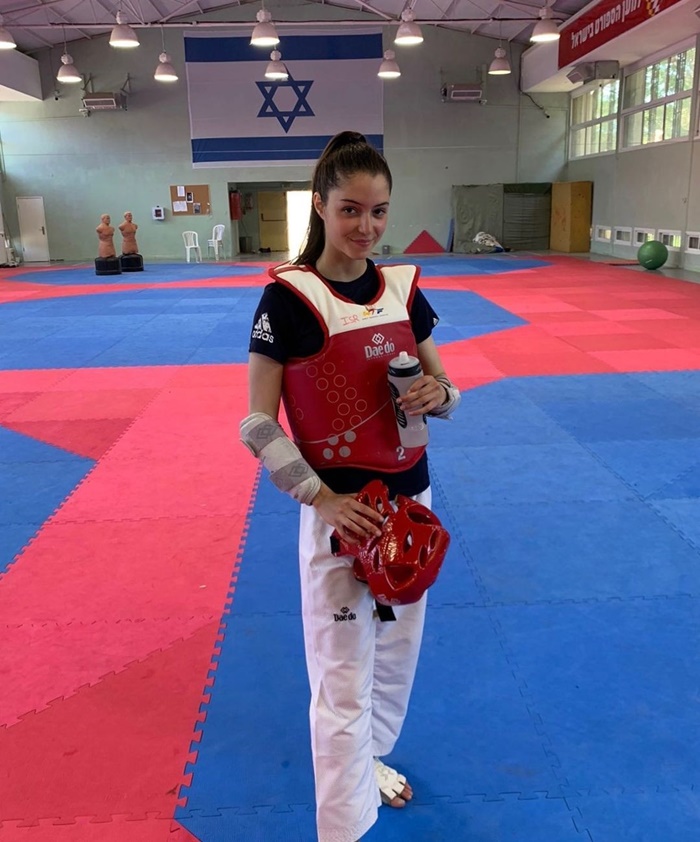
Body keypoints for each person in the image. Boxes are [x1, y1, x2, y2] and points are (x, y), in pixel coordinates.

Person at [240, 131, 460, 842]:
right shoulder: (287, 300)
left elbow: (447, 389)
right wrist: (322, 500)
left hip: (412, 504)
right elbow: (257, 426)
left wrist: (438, 394)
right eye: (351, 210)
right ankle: (343, 826)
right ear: (321, 206)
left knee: (398, 652)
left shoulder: (404, 290)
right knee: (341, 676)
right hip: (342, 515)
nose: (367, 227)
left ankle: (373, 760)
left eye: (379, 211)